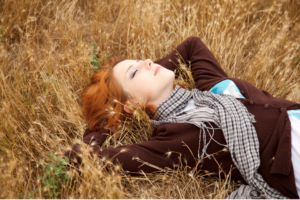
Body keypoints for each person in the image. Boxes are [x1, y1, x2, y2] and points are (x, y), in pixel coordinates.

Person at [65, 36, 300, 199]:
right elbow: (80, 156)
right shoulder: (173, 138)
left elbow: (191, 45)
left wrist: (151, 73)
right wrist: (107, 122)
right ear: (132, 104)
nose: (149, 61)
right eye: (135, 72)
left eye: (144, 61)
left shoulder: (209, 88)